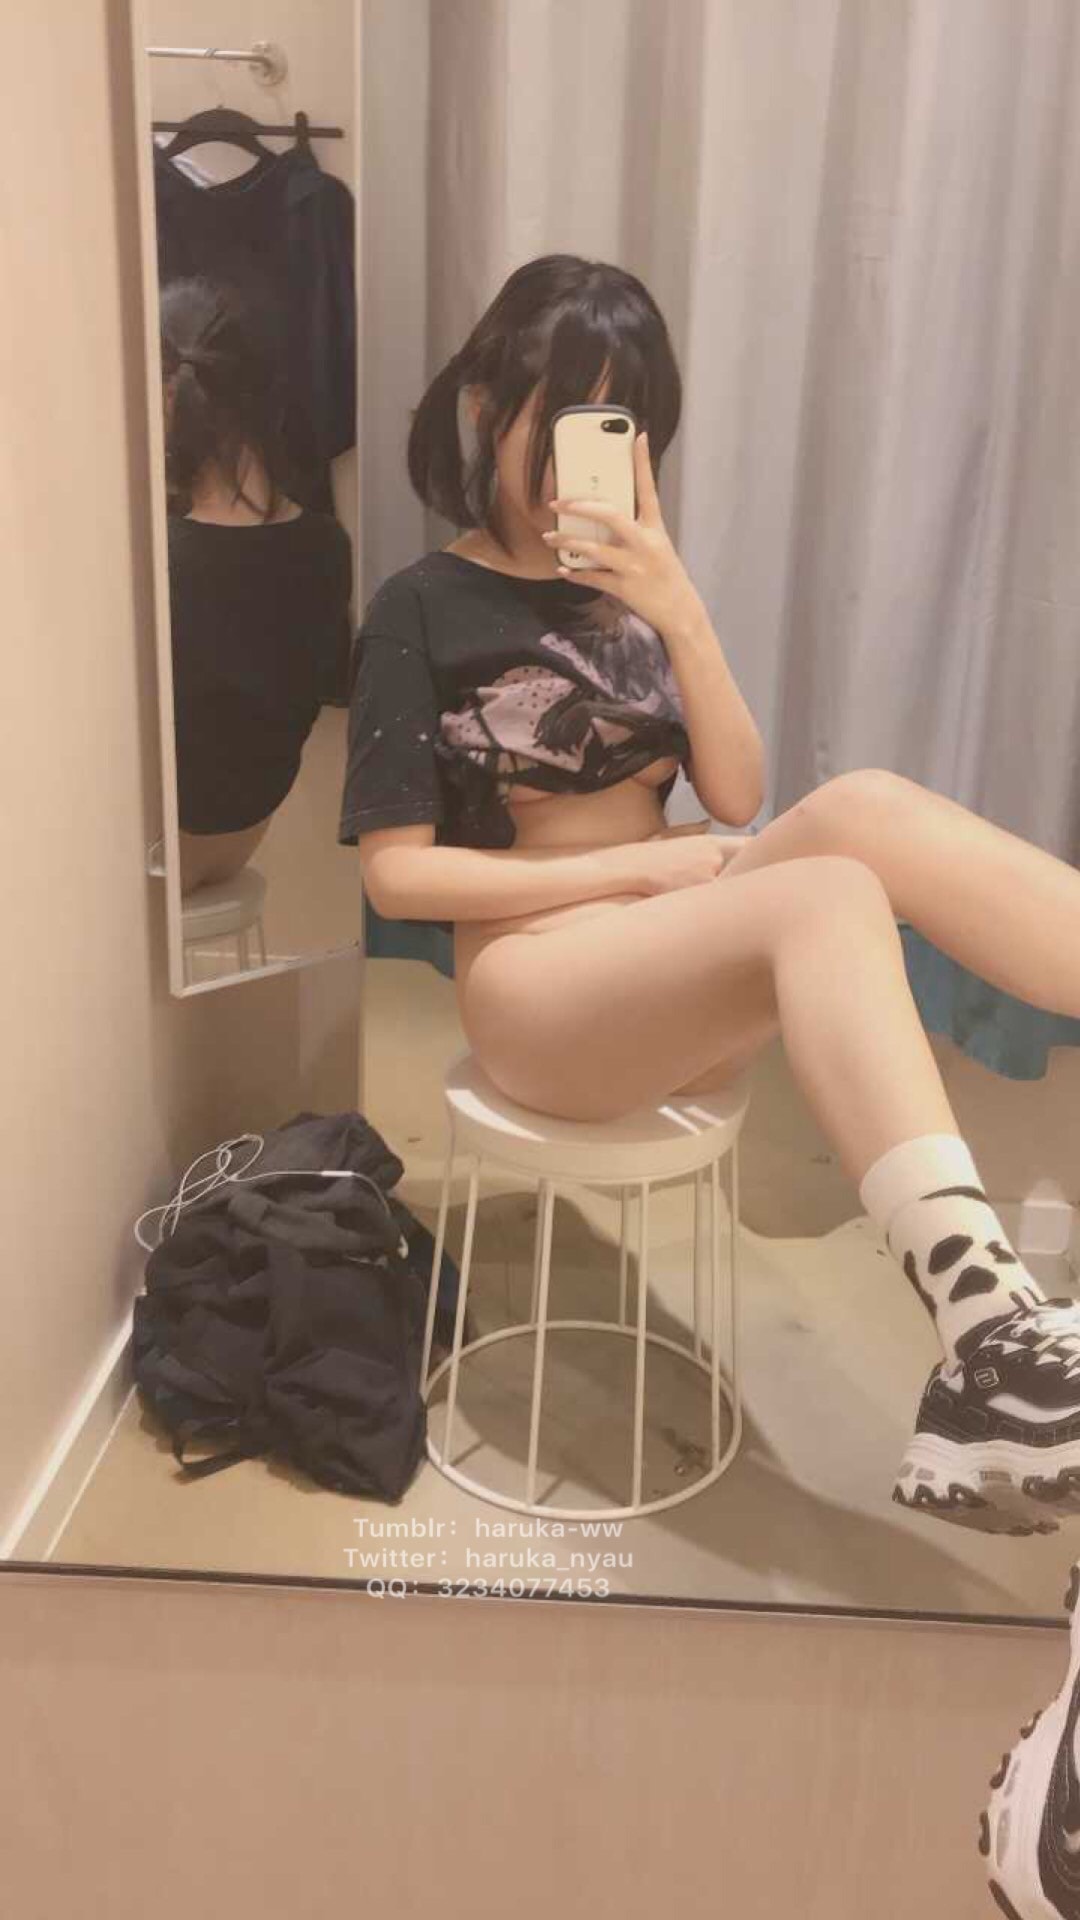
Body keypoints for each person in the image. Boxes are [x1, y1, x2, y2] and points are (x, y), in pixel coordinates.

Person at [339, 252, 1080, 1540]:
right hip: (538, 990)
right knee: (825, 891)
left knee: (866, 809)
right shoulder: (419, 608)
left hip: (670, 958)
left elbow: (736, 792)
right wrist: (641, 866)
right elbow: (395, 873)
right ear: (483, 408)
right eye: (558, 416)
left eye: (617, 423)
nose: (580, 461)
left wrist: (678, 607)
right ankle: (990, 1330)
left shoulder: (635, 594)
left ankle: (992, 1357)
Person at [162, 277, 352, 894]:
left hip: (164, 856)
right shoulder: (327, 546)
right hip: (243, 836)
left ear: (168, 396)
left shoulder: (161, 560)